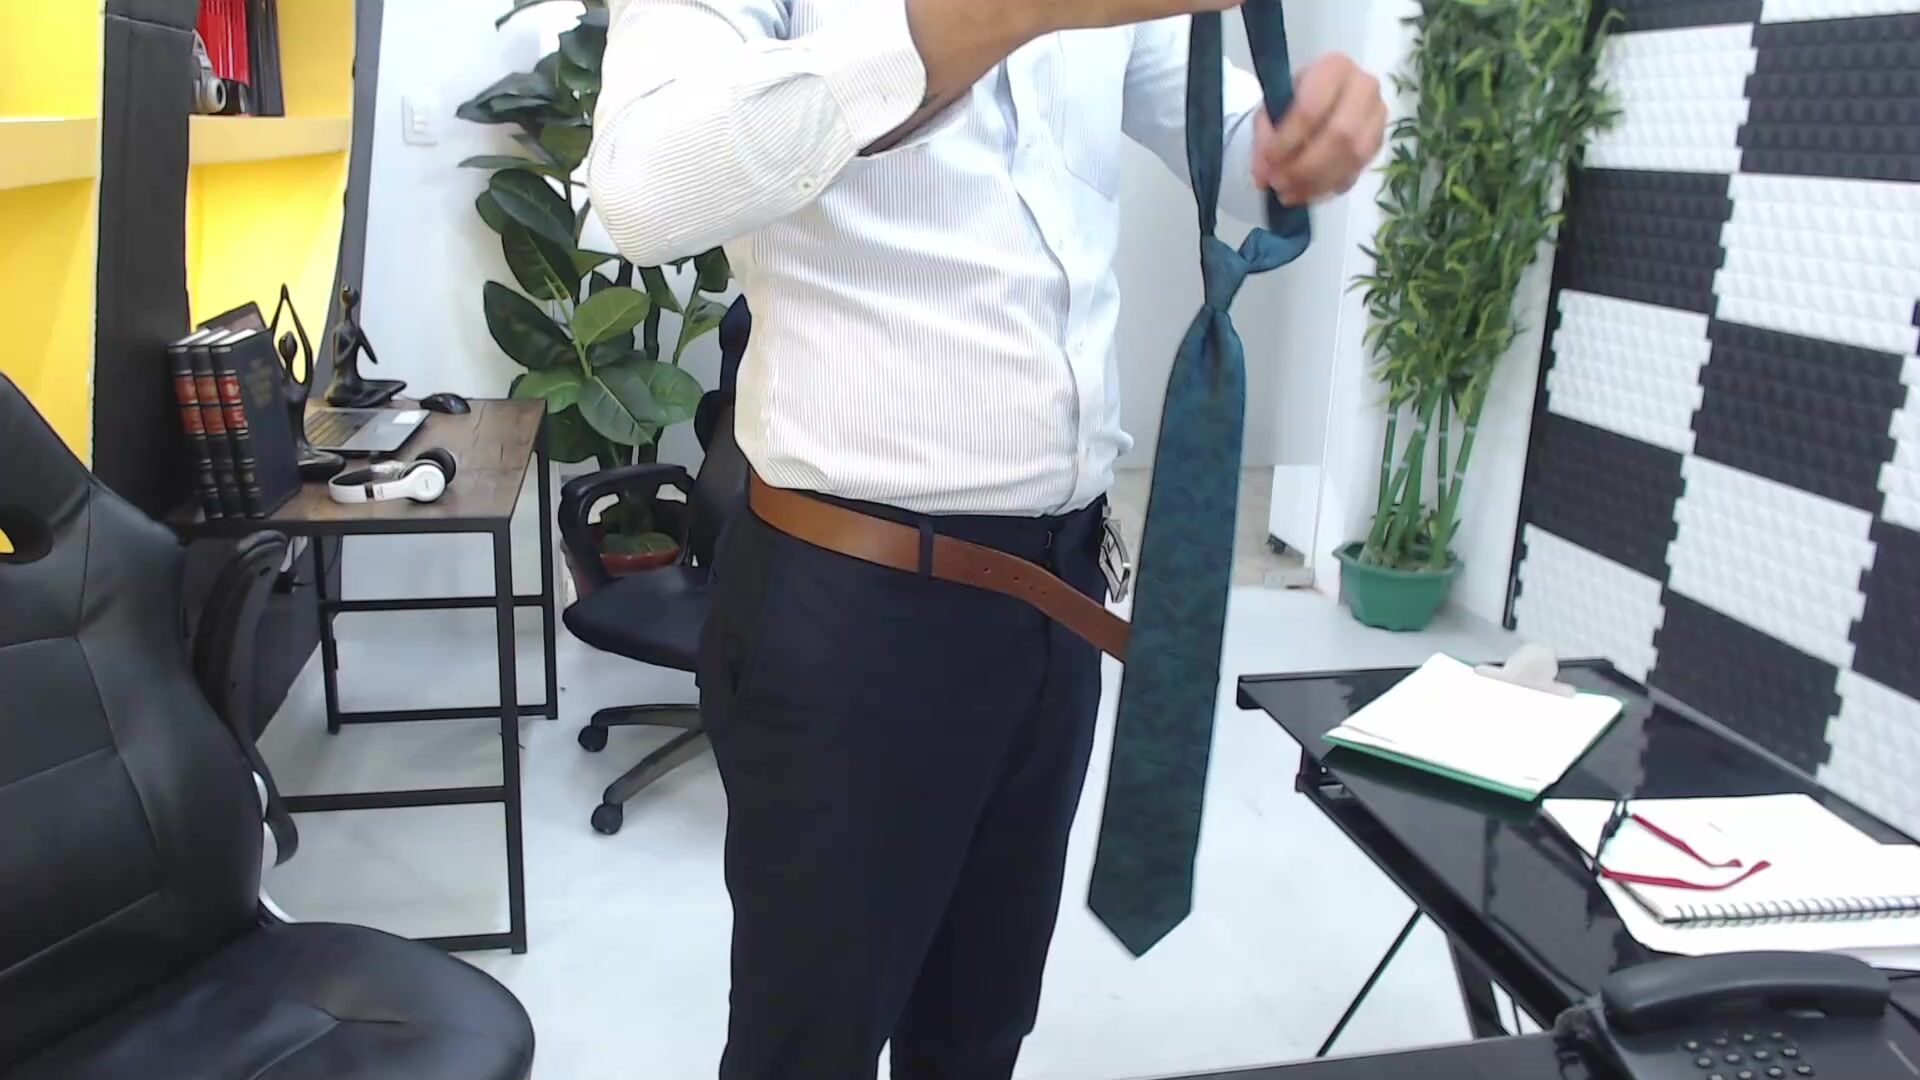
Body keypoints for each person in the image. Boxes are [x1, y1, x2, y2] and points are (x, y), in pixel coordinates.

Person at [588, 2, 1386, 1077]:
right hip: (852, 610)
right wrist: (999, 17)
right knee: (806, 1049)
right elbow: (642, 188)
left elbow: (1236, 140)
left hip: (1059, 596)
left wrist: (1305, 132)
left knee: (978, 1032)